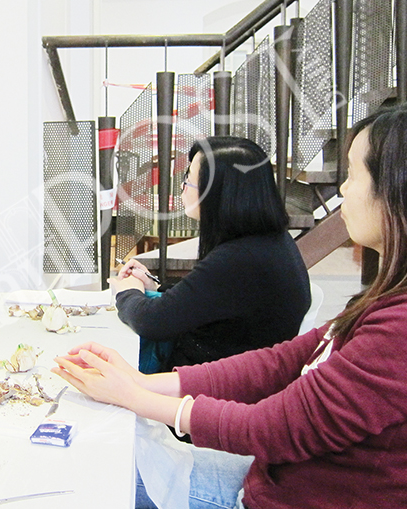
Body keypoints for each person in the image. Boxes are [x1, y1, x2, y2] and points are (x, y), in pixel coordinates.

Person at [54, 102, 407, 509]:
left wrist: (133, 395)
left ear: (400, 192)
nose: (342, 190)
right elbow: (287, 360)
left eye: (354, 175)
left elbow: (277, 426)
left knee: (92, 475)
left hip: (292, 493)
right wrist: (143, 384)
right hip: (284, 476)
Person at [114, 136, 310, 373]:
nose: (183, 187)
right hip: (233, 377)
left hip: (210, 392)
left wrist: (127, 293)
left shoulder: (239, 259)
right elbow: (209, 296)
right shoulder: (270, 241)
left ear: (219, 193)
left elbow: (152, 322)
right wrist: (155, 286)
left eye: (189, 179)